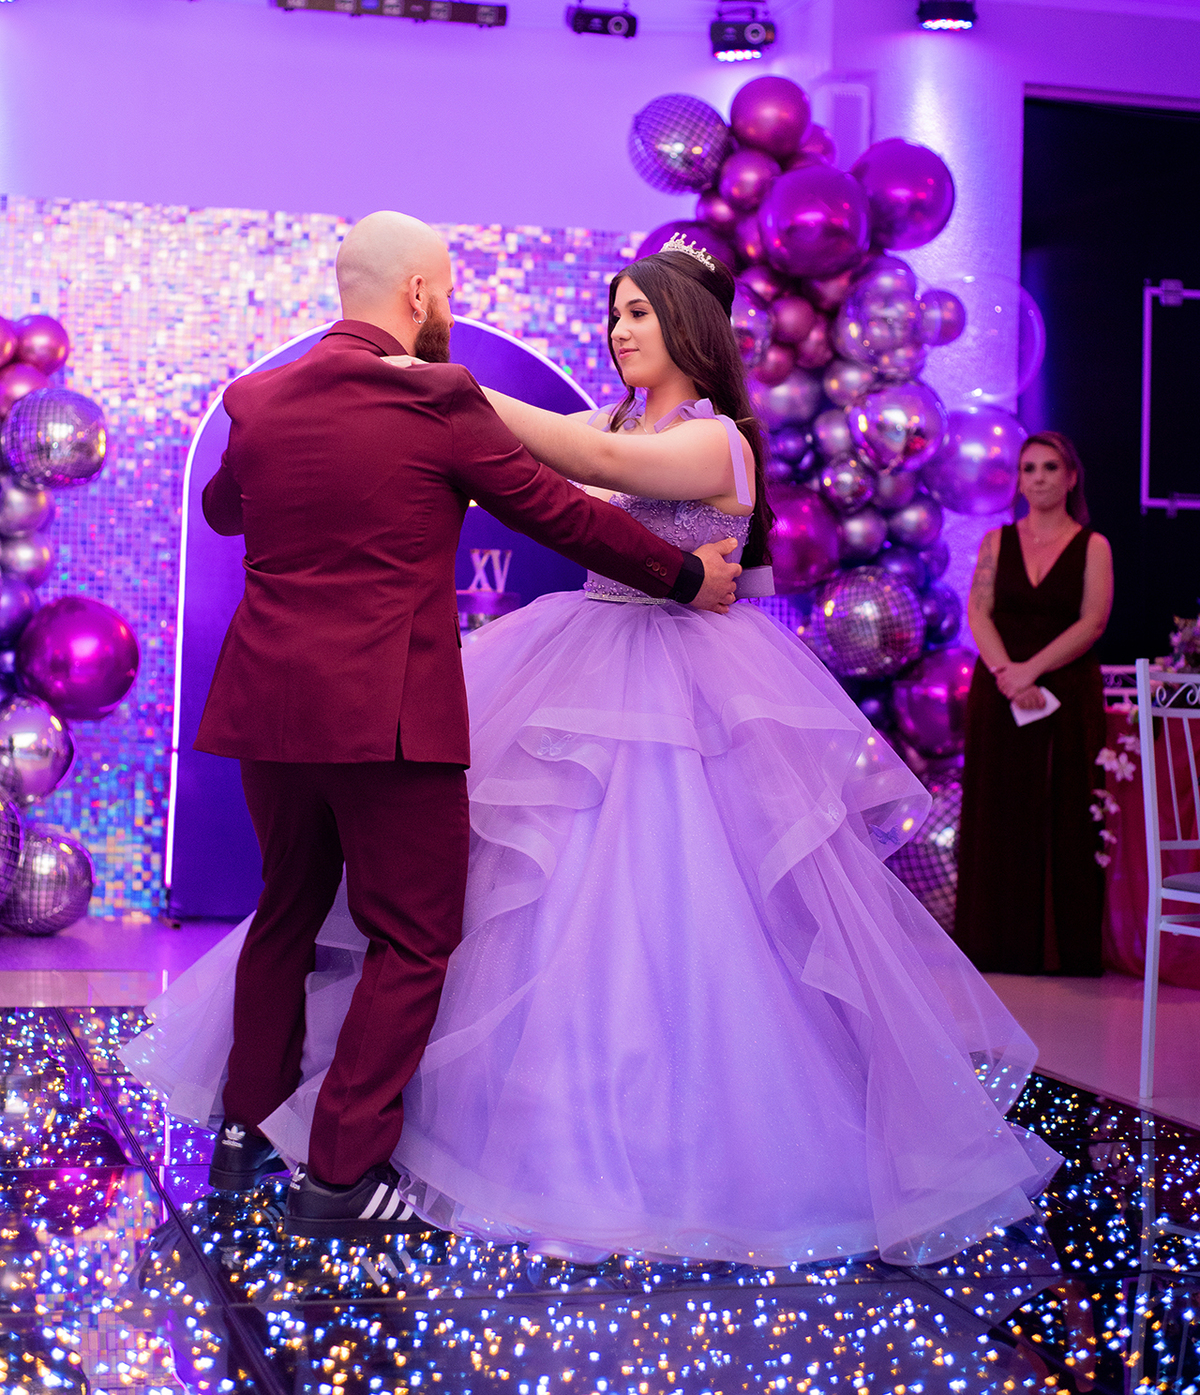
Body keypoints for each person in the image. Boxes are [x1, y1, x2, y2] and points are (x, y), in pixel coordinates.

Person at [126, 237, 1059, 1267]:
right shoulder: (596, 417)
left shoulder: (718, 442)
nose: (620, 332)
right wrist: (427, 400)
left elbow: (598, 473)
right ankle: (342, 1132)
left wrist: (436, 385)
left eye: (640, 315)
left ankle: (642, 1139)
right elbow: (552, 465)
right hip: (586, 648)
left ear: (694, 331)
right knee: (490, 904)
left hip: (687, 685)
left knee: (666, 904)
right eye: (614, 314)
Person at [160, 211, 741, 1240]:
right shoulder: (433, 395)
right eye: (451, 291)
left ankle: (247, 1132)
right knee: (415, 936)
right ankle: (342, 1173)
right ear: (421, 295)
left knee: (286, 910)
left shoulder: (257, 398)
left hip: (267, 707)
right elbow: (559, 516)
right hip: (387, 713)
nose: (455, 310)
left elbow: (223, 512)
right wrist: (687, 572)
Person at [956, 431, 1113, 975]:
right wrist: (1006, 674)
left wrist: (1030, 670)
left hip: (1064, 691)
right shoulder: (997, 541)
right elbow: (979, 613)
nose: (1039, 477)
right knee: (998, 811)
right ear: (1019, 480)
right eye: (1029, 469)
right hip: (1000, 691)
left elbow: (1092, 621)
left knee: (1061, 810)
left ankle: (1058, 949)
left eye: (1050, 467)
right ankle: (993, 945)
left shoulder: (1093, 545)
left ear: (1071, 477)